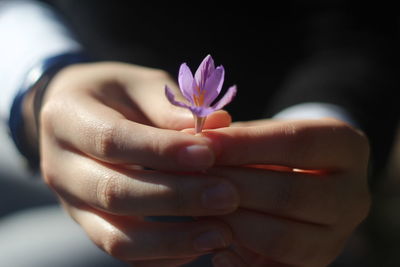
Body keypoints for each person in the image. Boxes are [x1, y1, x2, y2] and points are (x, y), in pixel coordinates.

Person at [1, 0, 398, 266]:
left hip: (238, 208)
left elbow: (365, 27)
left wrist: (318, 138)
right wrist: (43, 80)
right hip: (41, 117)